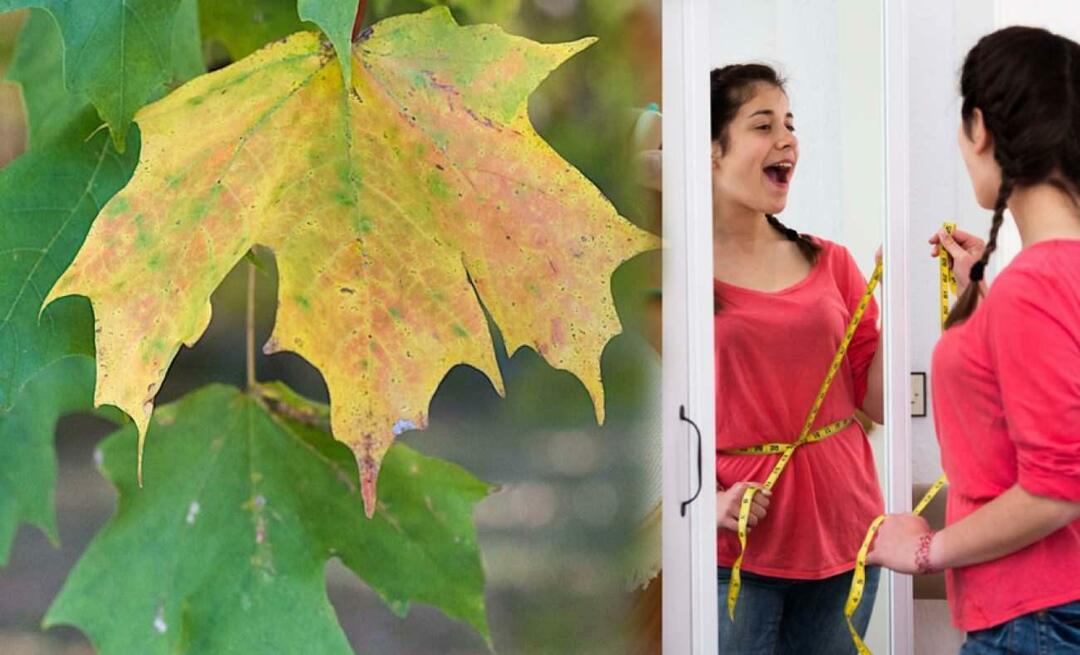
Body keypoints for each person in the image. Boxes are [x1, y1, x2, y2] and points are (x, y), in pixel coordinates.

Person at [867, 26, 1080, 654]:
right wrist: (989, 293)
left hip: (1033, 617)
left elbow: (1057, 490)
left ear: (980, 128)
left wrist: (925, 548)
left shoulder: (1035, 288)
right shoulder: (1045, 280)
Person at [707, 63, 884, 654]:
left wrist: (942, 308)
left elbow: (875, 402)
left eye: (790, 124)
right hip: (736, 546)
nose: (786, 141)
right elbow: (655, 418)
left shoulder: (832, 263)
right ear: (711, 150)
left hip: (846, 533)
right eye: (763, 125)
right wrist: (708, 500)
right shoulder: (674, 281)